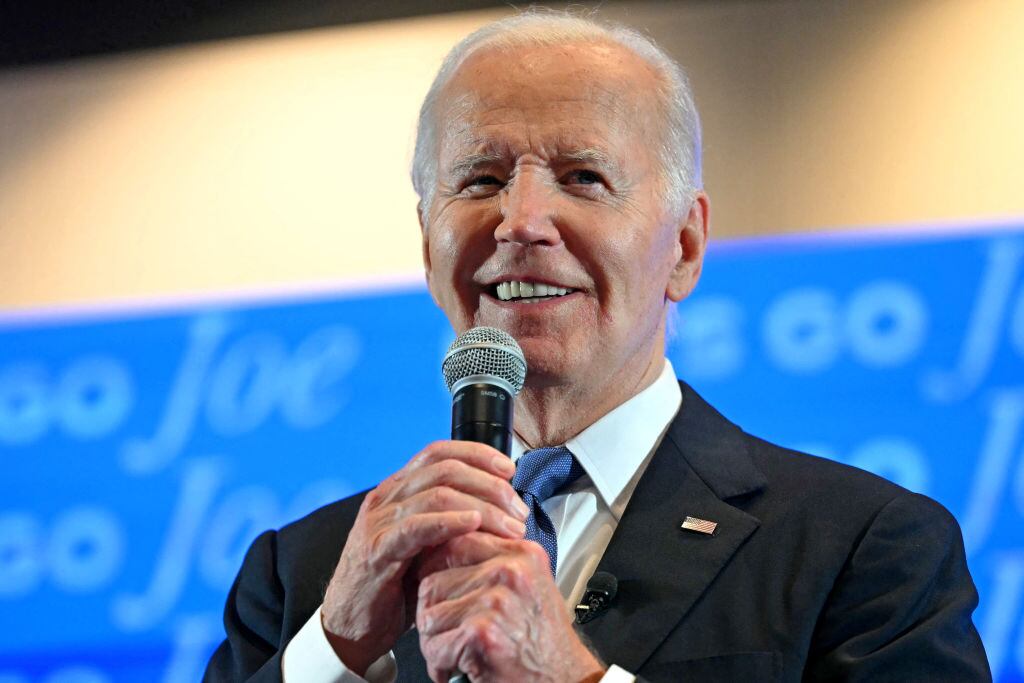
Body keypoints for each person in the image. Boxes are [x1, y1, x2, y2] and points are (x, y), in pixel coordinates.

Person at [204, 10, 990, 683]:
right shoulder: (302, 574)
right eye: (479, 179)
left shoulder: (862, 548)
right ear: (427, 243)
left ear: (683, 246)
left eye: (582, 178)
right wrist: (333, 648)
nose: (519, 221)